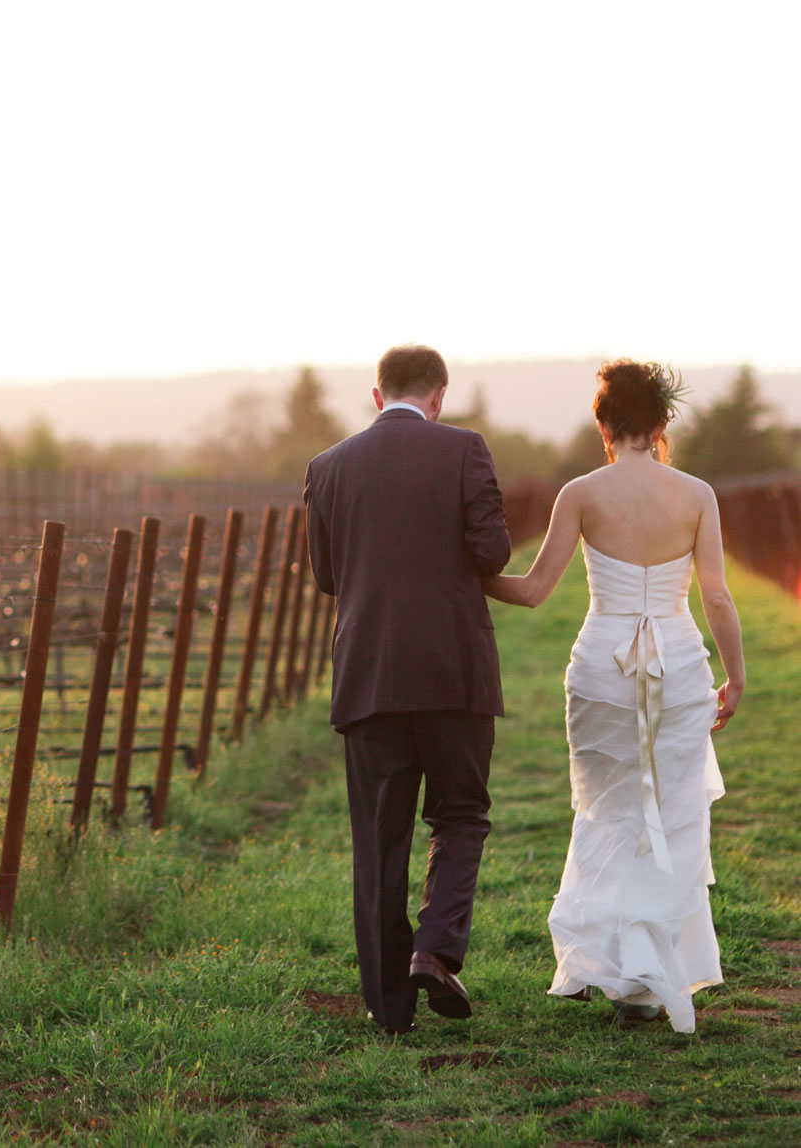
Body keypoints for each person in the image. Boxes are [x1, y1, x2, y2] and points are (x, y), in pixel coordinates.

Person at [484, 360, 745, 1034]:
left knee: (608, 809)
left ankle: (620, 968)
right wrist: (735, 672)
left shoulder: (580, 491)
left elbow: (534, 588)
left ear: (603, 423)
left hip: (602, 665)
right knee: (671, 812)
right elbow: (715, 593)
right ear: (662, 424)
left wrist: (469, 571)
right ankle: (646, 982)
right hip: (681, 664)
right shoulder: (696, 493)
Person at [304, 344, 511, 1035]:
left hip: (368, 675)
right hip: (454, 669)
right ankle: (435, 949)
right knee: (459, 814)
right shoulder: (464, 450)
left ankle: (389, 1008)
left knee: (379, 838)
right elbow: (491, 553)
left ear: (376, 393)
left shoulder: (327, 467)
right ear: (439, 395)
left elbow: (328, 576)